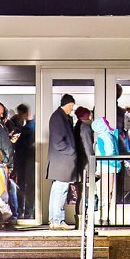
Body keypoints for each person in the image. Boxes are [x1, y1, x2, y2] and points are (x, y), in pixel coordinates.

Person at [45, 95, 79, 228]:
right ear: (68, 104)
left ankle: (54, 220)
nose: (72, 109)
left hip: (60, 160)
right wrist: (72, 152)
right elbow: (58, 142)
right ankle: (58, 220)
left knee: (57, 190)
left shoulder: (58, 116)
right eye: (72, 106)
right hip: (62, 161)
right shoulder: (59, 117)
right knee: (61, 190)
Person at [7, 104, 35, 217]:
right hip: (27, 161)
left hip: (21, 161)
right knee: (26, 187)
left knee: (21, 186)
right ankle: (26, 211)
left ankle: (21, 211)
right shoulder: (28, 128)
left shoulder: (24, 127)